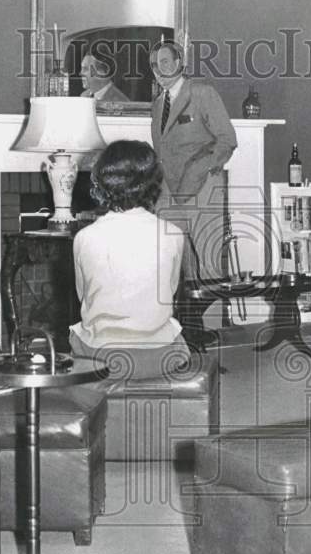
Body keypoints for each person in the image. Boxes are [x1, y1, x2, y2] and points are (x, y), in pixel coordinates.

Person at [68, 140, 191, 380]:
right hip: (161, 357)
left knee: (76, 332)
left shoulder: (84, 237)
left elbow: (83, 296)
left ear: (102, 184)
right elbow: (171, 290)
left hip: (102, 359)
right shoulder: (173, 234)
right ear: (154, 184)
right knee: (174, 330)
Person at [149, 41, 237, 280]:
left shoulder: (202, 93)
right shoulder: (157, 105)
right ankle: (180, 319)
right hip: (168, 193)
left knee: (210, 268)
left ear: (179, 63)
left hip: (203, 188)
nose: (159, 70)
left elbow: (227, 140)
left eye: (165, 62)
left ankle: (210, 318)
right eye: (154, 65)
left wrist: (202, 170)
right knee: (169, 269)